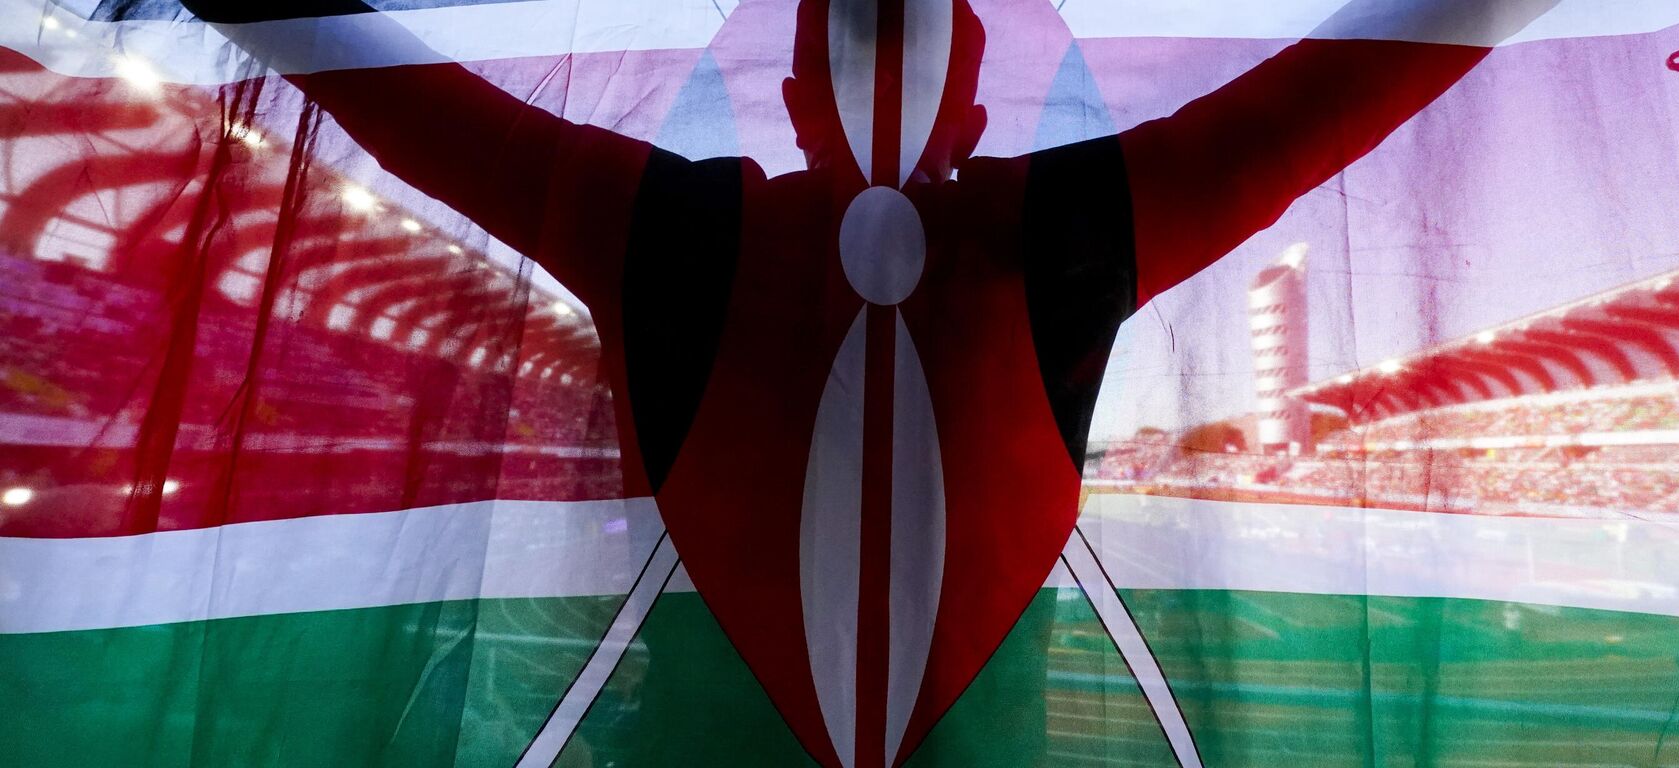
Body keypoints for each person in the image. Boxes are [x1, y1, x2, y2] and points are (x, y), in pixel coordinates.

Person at [185, 1, 1557, 765]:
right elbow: (1334, 94)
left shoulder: (666, 228)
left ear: (786, 104)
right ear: (976, 109)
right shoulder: (1055, 237)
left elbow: (399, 98)